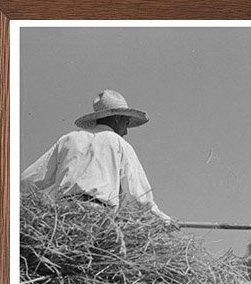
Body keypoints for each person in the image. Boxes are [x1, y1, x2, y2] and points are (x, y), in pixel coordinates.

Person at [21, 90, 171, 222]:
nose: (126, 131)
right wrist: (163, 220)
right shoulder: (118, 143)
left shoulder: (68, 139)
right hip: (98, 218)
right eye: (126, 123)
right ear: (117, 118)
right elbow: (139, 197)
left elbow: (28, 180)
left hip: (62, 218)